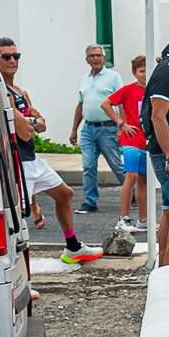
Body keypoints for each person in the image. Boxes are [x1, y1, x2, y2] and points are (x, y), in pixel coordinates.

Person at [0, 38, 99, 265]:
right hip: (16, 162)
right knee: (17, 220)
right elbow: (26, 131)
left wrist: (30, 120)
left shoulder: (18, 91)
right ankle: (14, 273)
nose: (13, 61)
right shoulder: (1, 91)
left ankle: (73, 247)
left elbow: (41, 124)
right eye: (6, 57)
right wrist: (32, 120)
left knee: (65, 194)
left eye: (16, 56)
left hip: (32, 159)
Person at [68, 44, 124, 213]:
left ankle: (133, 192)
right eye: (92, 56)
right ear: (87, 59)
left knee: (117, 165)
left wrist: (122, 125)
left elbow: (121, 102)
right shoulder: (85, 79)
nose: (96, 59)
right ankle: (90, 201)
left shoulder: (113, 77)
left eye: (99, 55)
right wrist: (74, 130)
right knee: (88, 165)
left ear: (104, 58)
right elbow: (80, 104)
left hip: (107, 128)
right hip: (88, 129)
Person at [103, 54, 148, 232]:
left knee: (144, 181)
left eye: (147, 70)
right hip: (131, 140)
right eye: (141, 71)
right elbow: (106, 104)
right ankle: (124, 217)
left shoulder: (153, 90)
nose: (145, 74)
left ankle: (143, 219)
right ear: (135, 73)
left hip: (147, 142)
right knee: (131, 177)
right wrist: (121, 123)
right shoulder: (128, 90)